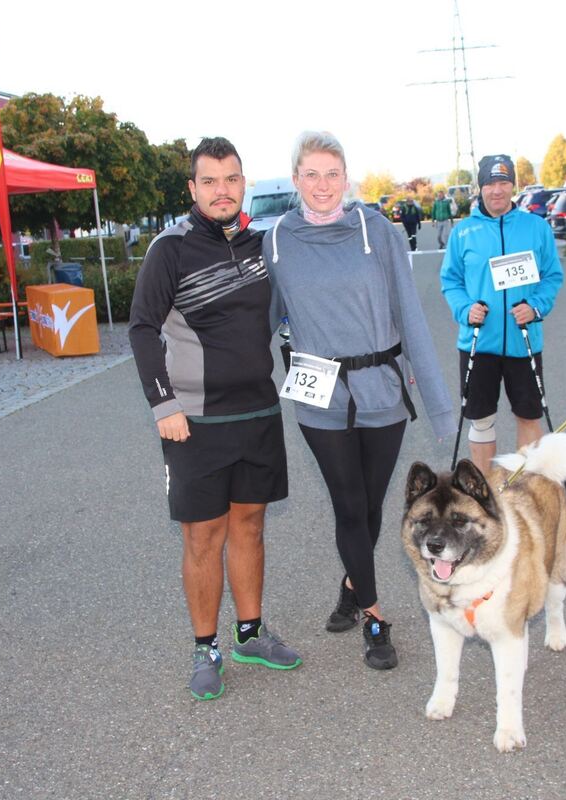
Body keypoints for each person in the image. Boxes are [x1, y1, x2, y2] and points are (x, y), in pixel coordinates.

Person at [264, 131, 454, 670]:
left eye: (332, 174)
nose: (322, 185)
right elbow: (263, 321)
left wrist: (437, 399)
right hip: (319, 396)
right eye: (311, 174)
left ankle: (351, 583)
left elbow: (410, 316)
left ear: (346, 178)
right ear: (296, 179)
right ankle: (373, 615)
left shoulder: (380, 231)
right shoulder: (277, 241)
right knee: (348, 504)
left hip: (381, 390)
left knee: (371, 505)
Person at [128, 136, 301, 701]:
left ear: (242, 183)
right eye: (210, 181)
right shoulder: (169, 249)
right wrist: (163, 404)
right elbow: (141, 329)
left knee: (250, 524)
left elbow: (287, 316)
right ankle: (205, 647)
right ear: (193, 189)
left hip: (257, 411)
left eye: (231, 179)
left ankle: (249, 632)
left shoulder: (259, 245)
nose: (221, 190)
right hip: (194, 420)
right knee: (204, 535)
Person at [440, 154, 564, 476]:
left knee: (528, 415)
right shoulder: (463, 232)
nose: (497, 190)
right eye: (490, 183)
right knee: (481, 418)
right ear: (480, 187)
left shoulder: (535, 227)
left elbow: (552, 276)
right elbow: (450, 281)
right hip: (478, 342)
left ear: (513, 185)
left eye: (504, 182)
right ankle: (486, 493)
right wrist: (466, 309)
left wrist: (536, 306)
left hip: (524, 341)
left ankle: (525, 488)